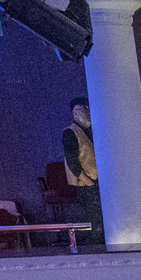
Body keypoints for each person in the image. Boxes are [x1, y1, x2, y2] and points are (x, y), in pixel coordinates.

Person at [62, 97, 100, 235]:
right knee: (94, 222)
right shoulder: (70, 132)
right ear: (75, 113)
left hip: (100, 181)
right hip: (86, 184)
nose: (87, 113)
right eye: (83, 110)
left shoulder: (95, 129)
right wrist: (88, 182)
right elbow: (72, 162)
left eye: (88, 109)